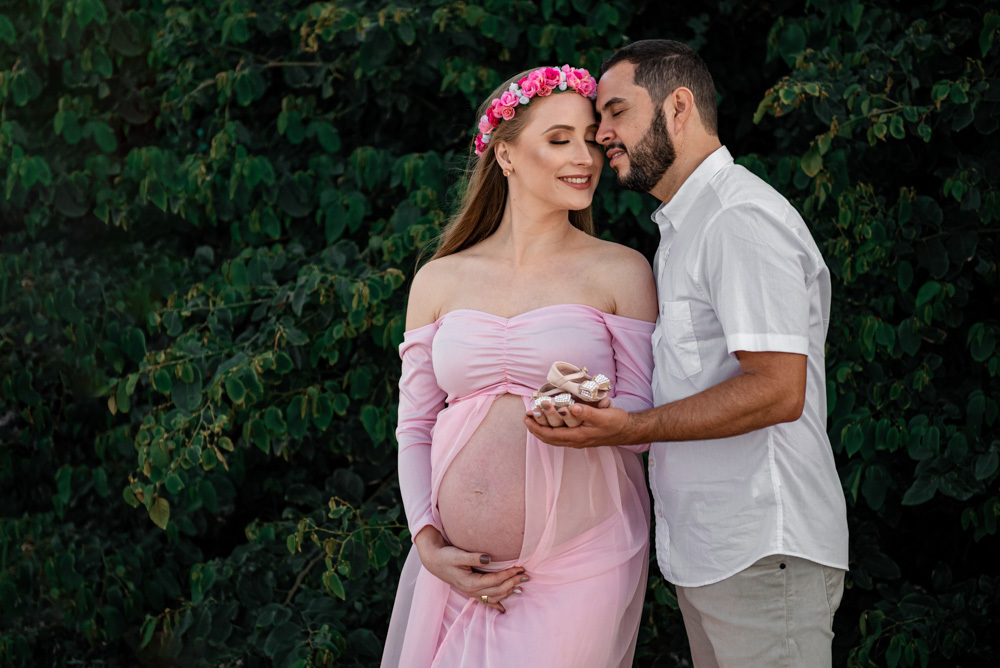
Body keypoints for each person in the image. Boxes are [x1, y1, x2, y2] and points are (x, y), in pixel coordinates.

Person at [525, 40, 850, 667]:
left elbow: (779, 389)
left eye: (616, 112)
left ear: (679, 106)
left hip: (762, 546)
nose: (603, 136)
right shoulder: (684, 230)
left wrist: (629, 429)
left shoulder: (738, 219)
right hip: (717, 553)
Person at [381, 64, 658, 667]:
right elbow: (414, 426)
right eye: (559, 139)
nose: (584, 155)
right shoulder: (439, 279)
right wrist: (426, 541)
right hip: (458, 572)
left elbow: (645, 417)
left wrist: (595, 411)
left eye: (590, 138)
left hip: (580, 561)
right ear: (504, 155)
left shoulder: (621, 270)